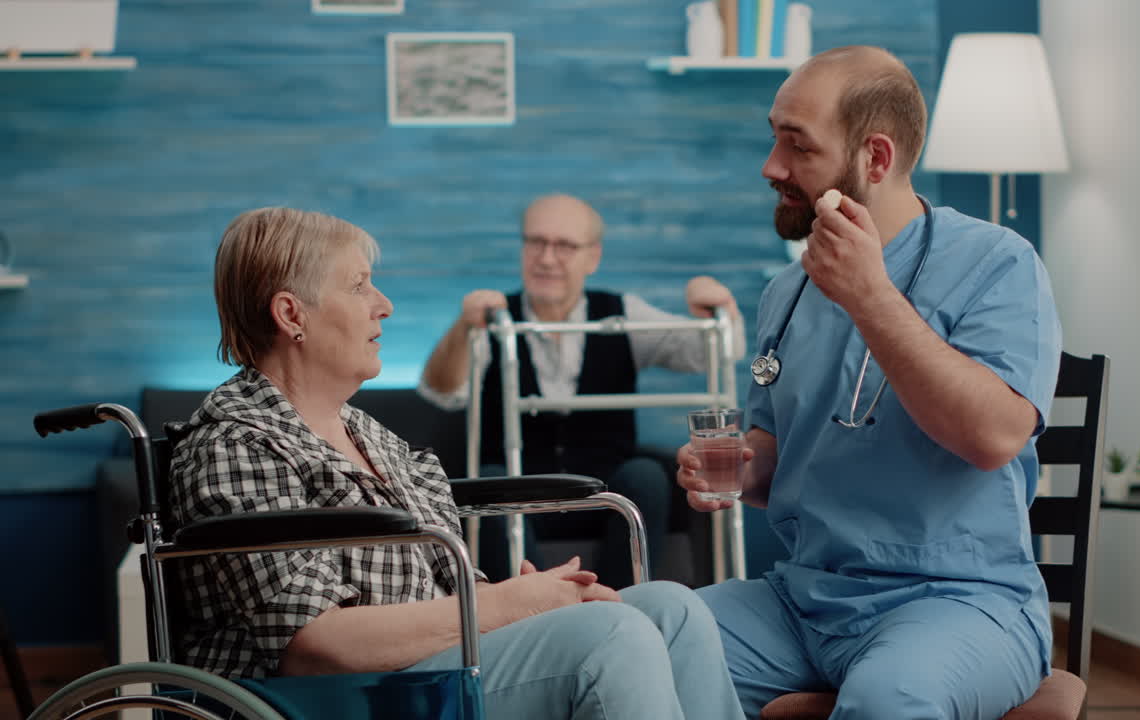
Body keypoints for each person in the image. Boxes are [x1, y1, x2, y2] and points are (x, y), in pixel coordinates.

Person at [168, 207, 746, 720]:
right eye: (360, 285)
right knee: (612, 633)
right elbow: (318, 646)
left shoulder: (370, 434)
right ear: (292, 314)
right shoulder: (234, 443)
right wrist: (512, 605)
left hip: (432, 660)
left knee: (675, 608)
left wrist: (524, 602)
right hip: (350, 694)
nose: (384, 305)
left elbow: (445, 588)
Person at [677, 46, 1063, 719]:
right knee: (632, 639)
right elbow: (776, 462)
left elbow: (996, 435)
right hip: (802, 602)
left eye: (797, 147)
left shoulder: (998, 263)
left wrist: (871, 298)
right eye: (774, 138)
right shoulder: (787, 293)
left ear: (874, 160)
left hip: (959, 601)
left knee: (888, 698)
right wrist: (740, 469)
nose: (772, 167)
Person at [419, 193, 745, 587]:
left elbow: (713, 354)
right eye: (536, 242)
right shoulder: (495, 319)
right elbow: (442, 391)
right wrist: (464, 327)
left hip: (600, 493)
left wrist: (718, 303)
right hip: (521, 494)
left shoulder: (623, 313)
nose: (547, 257)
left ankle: (619, 607)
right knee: (489, 479)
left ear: (592, 257)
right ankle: (536, 612)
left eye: (565, 246)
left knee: (646, 476)